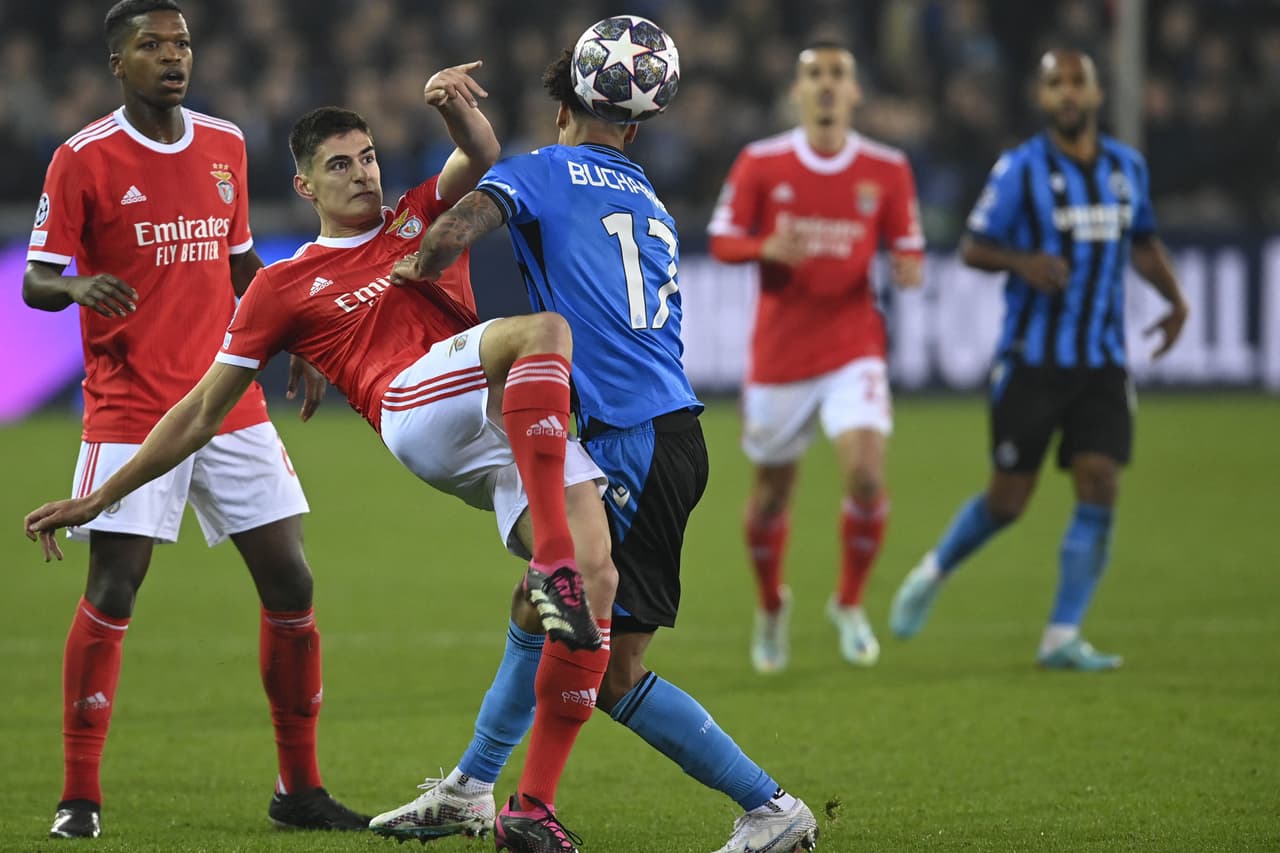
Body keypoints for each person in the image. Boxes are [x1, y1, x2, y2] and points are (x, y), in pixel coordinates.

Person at [25, 71, 619, 853]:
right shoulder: (282, 285)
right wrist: (98, 494)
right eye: (341, 164)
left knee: (603, 580)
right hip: (415, 407)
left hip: (492, 422)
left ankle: (508, 788)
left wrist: (448, 105)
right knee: (540, 331)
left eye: (369, 157)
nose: (364, 173)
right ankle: (553, 566)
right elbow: (203, 409)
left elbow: (480, 153)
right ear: (304, 183)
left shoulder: (414, 215)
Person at [369, 36, 819, 853]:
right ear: (637, 131)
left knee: (607, 665)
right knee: (542, 601)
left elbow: (455, 229)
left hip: (633, 439)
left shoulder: (542, 168)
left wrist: (409, 275)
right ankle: (473, 787)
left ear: (562, 112)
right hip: (668, 429)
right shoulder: (649, 199)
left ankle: (768, 807)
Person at [21, 0, 364, 837]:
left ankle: (299, 788)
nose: (173, 57)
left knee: (292, 580)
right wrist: (75, 288)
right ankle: (78, 795)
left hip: (229, 397)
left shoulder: (225, 144)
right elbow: (35, 279)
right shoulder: (83, 159)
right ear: (118, 62)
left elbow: (243, 258)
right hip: (132, 406)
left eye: (181, 43)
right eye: (152, 45)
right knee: (113, 586)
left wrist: (300, 337)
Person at [889, 50, 1189, 671]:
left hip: (1102, 360)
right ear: (1043, 96)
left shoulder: (1126, 167)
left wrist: (1177, 300)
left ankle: (1061, 635)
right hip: (1032, 361)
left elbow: (1143, 241)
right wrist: (1024, 263)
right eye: (1057, 83)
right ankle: (934, 571)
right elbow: (973, 247)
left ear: (1097, 93)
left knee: (1100, 481)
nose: (1069, 93)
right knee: (1009, 501)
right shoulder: (1021, 169)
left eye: (1078, 82)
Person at [707, 40, 925, 672]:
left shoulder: (887, 169)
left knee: (865, 474)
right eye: (814, 76)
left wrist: (909, 265)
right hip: (780, 353)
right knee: (772, 495)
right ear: (797, 92)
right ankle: (772, 606)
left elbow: (907, 244)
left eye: (838, 75)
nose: (827, 85)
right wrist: (764, 248)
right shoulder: (761, 162)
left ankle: (849, 602)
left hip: (854, 343)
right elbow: (722, 240)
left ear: (856, 92)